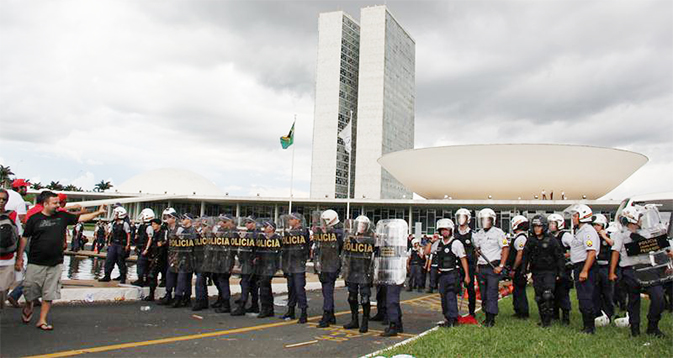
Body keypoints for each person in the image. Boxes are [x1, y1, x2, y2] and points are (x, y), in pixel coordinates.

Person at [15, 191, 105, 330]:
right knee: (30, 289)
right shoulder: (34, 219)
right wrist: (19, 258)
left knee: (49, 292)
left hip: (55, 262)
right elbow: (25, 238)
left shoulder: (62, 216)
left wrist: (98, 213)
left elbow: (81, 218)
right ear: (45, 204)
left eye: (58, 203)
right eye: (55, 203)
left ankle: (42, 320)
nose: (58, 205)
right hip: (36, 261)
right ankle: (29, 304)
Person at [609, 206, 666, 338]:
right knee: (633, 300)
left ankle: (653, 326)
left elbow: (659, 251)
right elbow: (615, 253)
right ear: (632, 218)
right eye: (639, 217)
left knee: (659, 298)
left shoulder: (646, 233)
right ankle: (635, 330)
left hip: (647, 268)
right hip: (630, 269)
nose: (641, 220)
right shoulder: (620, 235)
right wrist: (612, 272)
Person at [521, 215, 565, 327]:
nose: (537, 228)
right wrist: (524, 270)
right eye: (535, 226)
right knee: (539, 297)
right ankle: (543, 319)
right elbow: (525, 255)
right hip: (537, 271)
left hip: (550, 271)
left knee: (547, 295)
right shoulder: (531, 240)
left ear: (544, 227)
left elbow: (559, 257)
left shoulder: (552, 240)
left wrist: (561, 272)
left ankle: (548, 321)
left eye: (539, 226)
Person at [564, 204, 599, 334]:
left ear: (583, 216)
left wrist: (585, 270)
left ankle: (589, 328)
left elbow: (591, 252)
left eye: (575, 215)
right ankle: (587, 326)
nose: (573, 218)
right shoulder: (581, 231)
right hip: (579, 266)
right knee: (582, 296)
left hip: (585, 266)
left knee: (585, 297)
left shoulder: (588, 231)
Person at [430, 219, 470, 328]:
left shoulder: (456, 243)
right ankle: (448, 318)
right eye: (442, 230)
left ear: (451, 230)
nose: (444, 232)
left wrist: (467, 275)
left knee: (451, 296)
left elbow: (463, 259)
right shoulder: (438, 243)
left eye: (446, 230)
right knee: (443, 298)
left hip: (453, 274)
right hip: (442, 275)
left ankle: (453, 319)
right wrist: (431, 241)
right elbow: (427, 252)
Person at [473, 208, 509, 327]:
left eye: (487, 220)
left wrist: (501, 266)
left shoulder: (498, 233)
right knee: (483, 294)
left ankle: (490, 319)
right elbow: (477, 251)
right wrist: (477, 258)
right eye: (483, 220)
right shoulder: (479, 234)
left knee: (491, 293)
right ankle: (487, 313)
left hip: (493, 267)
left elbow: (505, 249)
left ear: (492, 220)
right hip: (481, 268)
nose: (485, 222)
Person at [341, 215, 376, 333]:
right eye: (360, 225)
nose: (361, 227)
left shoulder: (371, 240)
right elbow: (345, 254)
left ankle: (364, 322)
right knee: (351, 297)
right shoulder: (350, 238)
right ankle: (354, 320)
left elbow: (376, 256)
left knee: (365, 299)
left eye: (364, 225)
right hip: (352, 271)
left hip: (365, 271)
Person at [375, 219, 409, 337]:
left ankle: (393, 325)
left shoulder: (399, 245)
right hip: (386, 274)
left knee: (391, 301)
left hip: (396, 275)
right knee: (391, 301)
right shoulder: (383, 245)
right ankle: (397, 323)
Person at [313, 210, 343, 328]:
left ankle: (327, 315)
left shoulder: (338, 232)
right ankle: (331, 315)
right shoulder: (324, 232)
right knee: (326, 291)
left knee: (328, 290)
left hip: (332, 264)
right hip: (324, 264)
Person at [280, 213, 311, 323]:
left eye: (292, 219)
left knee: (299, 289)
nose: (289, 221)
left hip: (298, 264)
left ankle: (303, 312)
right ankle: (290, 310)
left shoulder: (303, 231)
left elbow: (306, 246)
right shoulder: (289, 232)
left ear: (297, 220)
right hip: (289, 264)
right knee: (291, 289)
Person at [547, 213, 573, 325]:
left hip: (563, 269)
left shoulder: (565, 236)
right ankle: (554, 314)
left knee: (563, 293)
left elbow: (576, 249)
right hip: (552, 269)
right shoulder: (548, 236)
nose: (550, 225)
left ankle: (566, 317)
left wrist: (564, 256)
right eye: (550, 223)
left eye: (553, 223)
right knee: (553, 292)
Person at [232, 216, 259, 315]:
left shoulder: (255, 234)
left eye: (248, 222)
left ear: (253, 223)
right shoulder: (250, 233)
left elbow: (253, 248)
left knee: (245, 283)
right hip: (247, 261)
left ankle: (242, 306)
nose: (246, 224)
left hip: (250, 262)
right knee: (252, 285)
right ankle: (254, 305)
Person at [168, 213, 197, 308]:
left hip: (188, 257)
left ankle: (180, 297)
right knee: (183, 278)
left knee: (183, 278)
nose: (182, 220)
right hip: (180, 256)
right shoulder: (182, 229)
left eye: (184, 218)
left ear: (189, 220)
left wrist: (183, 237)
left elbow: (193, 243)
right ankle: (184, 297)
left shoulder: (192, 230)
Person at [255, 220, 282, 318]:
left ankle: (265, 308)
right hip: (262, 265)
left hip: (271, 265)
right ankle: (269, 308)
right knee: (265, 286)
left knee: (264, 286)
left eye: (266, 227)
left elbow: (279, 253)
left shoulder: (277, 239)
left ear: (272, 228)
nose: (264, 228)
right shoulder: (262, 238)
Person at [454, 208, 477, 318]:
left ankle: (471, 313)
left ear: (468, 219)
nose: (461, 219)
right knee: (453, 288)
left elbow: (477, 251)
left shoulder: (473, 234)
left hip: (469, 265)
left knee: (470, 289)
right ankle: (453, 313)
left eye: (463, 217)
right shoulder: (453, 233)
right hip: (456, 265)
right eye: (459, 217)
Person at [592, 214, 615, 323]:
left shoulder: (609, 235)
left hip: (606, 267)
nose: (595, 227)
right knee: (595, 292)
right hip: (595, 267)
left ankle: (609, 314)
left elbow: (613, 244)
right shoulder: (591, 236)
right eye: (594, 225)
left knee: (607, 292)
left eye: (598, 225)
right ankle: (597, 313)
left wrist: (604, 236)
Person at [98, 207, 131, 284]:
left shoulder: (125, 224)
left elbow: (128, 234)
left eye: (116, 213)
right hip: (114, 244)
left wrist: (128, 245)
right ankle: (107, 275)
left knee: (120, 261)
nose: (115, 215)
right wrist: (109, 242)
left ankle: (123, 277)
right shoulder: (114, 223)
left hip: (121, 244)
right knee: (109, 260)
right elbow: (111, 233)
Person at [0, 189, 21, 309]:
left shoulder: (12, 215)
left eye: (4, 199)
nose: (1, 201)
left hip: (7, 260)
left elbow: (19, 237)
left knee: (2, 292)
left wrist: (19, 259)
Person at [507, 215, 530, 319]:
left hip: (519, 269)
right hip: (520, 269)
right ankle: (518, 310)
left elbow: (519, 255)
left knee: (520, 291)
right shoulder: (521, 237)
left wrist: (514, 268)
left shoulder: (521, 238)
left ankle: (523, 312)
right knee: (517, 290)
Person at [132, 209, 156, 287]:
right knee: (141, 265)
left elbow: (150, 238)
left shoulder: (149, 227)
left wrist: (146, 249)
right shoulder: (142, 226)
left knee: (141, 265)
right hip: (140, 247)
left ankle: (141, 280)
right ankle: (142, 279)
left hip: (144, 249)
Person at [143, 218, 164, 301]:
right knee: (151, 275)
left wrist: (157, 257)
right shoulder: (153, 233)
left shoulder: (162, 233)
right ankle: (151, 294)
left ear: (159, 225)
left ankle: (152, 294)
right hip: (153, 255)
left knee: (153, 274)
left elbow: (161, 245)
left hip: (159, 257)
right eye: (152, 224)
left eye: (154, 224)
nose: (153, 226)